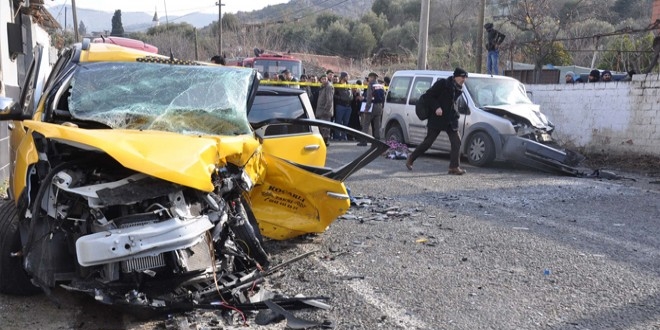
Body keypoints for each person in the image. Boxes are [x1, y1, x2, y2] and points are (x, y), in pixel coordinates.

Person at [406, 68, 468, 175]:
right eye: (462, 77)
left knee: (456, 142)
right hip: (437, 118)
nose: (464, 80)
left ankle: (454, 167)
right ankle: (411, 158)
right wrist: (437, 107)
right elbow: (428, 96)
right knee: (428, 142)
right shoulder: (443, 84)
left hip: (451, 119)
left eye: (465, 78)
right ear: (456, 76)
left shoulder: (459, 88)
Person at [357, 72, 385, 146]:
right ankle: (377, 141)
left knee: (366, 124)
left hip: (372, 106)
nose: (368, 79)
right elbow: (383, 97)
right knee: (377, 125)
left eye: (369, 77)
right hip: (379, 107)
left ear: (372, 77)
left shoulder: (371, 85)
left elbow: (369, 97)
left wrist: (367, 108)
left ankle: (364, 141)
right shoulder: (380, 85)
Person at [333, 72, 352, 141]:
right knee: (338, 122)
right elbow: (333, 95)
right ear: (343, 77)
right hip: (340, 106)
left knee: (346, 122)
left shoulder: (348, 85)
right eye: (347, 76)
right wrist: (340, 98)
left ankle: (344, 136)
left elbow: (351, 94)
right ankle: (337, 136)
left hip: (348, 106)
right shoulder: (337, 85)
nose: (348, 77)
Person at [316, 74, 334, 146]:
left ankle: (325, 141)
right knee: (322, 127)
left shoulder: (328, 87)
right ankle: (323, 141)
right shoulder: (322, 87)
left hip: (325, 111)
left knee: (325, 128)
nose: (324, 80)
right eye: (322, 79)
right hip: (320, 110)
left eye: (325, 79)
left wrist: (326, 110)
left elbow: (329, 100)